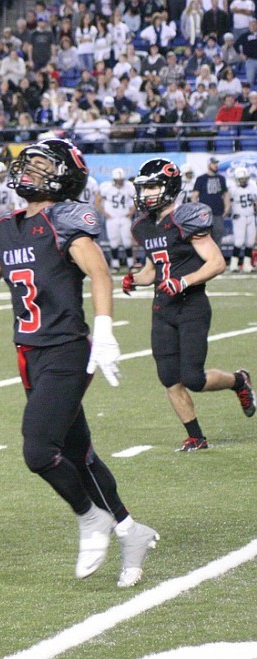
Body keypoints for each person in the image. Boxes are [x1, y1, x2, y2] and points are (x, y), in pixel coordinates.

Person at [0, 139, 159, 588]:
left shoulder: (65, 218)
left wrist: (104, 330)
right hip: (29, 352)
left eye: (41, 165)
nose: (28, 170)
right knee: (78, 452)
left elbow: (99, 272)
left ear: (63, 177)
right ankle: (129, 530)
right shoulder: (2, 226)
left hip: (65, 347)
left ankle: (91, 518)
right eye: (29, 163)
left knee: (39, 450)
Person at [123, 158, 255, 451]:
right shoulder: (144, 226)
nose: (146, 195)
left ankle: (238, 381)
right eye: (143, 189)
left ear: (169, 187)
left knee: (193, 378)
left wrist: (185, 281)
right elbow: (153, 269)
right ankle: (196, 436)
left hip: (191, 306)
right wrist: (135, 279)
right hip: (162, 309)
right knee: (169, 377)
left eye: (152, 187)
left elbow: (217, 262)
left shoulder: (186, 217)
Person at [96, 168, 137, 271]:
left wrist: (132, 211)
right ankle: (115, 264)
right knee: (114, 242)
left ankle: (130, 264)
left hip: (124, 217)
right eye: (118, 180)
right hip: (112, 218)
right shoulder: (107, 187)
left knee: (127, 241)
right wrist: (104, 212)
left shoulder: (129, 186)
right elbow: (97, 201)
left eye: (121, 180)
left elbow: (136, 200)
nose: (120, 182)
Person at [226, 165, 257, 272]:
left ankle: (247, 265)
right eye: (241, 179)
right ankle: (234, 265)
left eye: (245, 178)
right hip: (239, 216)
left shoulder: (252, 185)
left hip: (251, 215)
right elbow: (227, 201)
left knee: (250, 242)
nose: (243, 181)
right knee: (239, 241)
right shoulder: (232, 188)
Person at [191, 157, 229, 242]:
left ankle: (217, 255)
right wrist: (197, 211)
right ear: (209, 165)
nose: (216, 165)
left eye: (216, 163)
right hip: (205, 214)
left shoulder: (221, 178)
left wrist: (227, 207)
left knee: (218, 236)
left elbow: (226, 194)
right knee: (205, 237)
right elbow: (194, 196)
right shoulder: (201, 179)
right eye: (214, 163)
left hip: (218, 213)